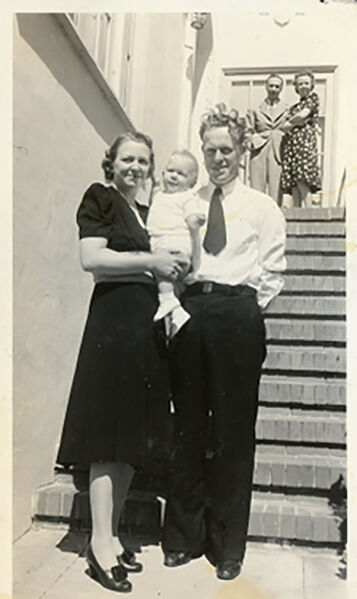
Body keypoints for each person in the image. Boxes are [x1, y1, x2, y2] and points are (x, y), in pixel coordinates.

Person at [56, 131, 188, 593]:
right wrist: (153, 261)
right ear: (110, 163)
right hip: (113, 325)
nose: (135, 167)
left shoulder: (147, 213)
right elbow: (92, 259)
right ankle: (100, 544)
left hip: (143, 327)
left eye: (143, 161)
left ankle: (109, 539)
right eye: (127, 159)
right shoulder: (102, 199)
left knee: (130, 438)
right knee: (108, 439)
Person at [162, 104, 286, 581]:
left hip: (238, 314)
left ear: (243, 150)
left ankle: (228, 545)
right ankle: (182, 538)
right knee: (188, 425)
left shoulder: (263, 207)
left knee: (233, 432)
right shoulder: (187, 201)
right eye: (210, 149)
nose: (217, 158)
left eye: (226, 150)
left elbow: (273, 269)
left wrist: (247, 312)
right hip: (192, 310)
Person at [147, 149, 206, 338]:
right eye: (171, 171)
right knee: (168, 281)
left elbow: (191, 218)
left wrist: (196, 219)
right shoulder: (159, 195)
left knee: (161, 269)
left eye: (181, 174)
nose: (174, 176)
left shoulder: (187, 197)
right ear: (163, 173)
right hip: (163, 246)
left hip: (175, 248)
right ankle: (176, 314)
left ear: (192, 182)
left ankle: (168, 302)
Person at [280, 70, 322, 206]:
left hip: (304, 141)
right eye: (300, 84)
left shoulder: (313, 99)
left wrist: (295, 121)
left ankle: (309, 210)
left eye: (306, 83)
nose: (303, 86)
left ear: (311, 85)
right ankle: (297, 212)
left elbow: (303, 115)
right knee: (293, 179)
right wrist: (296, 121)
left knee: (302, 177)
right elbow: (283, 127)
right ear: (296, 87)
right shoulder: (294, 107)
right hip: (292, 143)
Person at [246, 74, 288, 203]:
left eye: (277, 86)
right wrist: (253, 140)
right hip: (259, 147)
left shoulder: (287, 109)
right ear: (266, 87)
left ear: (281, 89)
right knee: (257, 185)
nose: (273, 89)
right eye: (271, 86)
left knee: (276, 185)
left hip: (278, 148)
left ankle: (275, 214)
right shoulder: (255, 109)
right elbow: (248, 129)